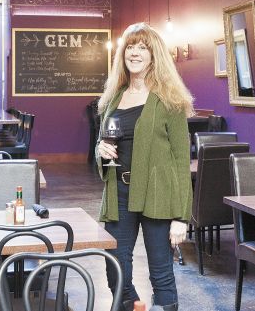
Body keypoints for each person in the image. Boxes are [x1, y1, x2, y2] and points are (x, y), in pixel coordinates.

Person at [96, 22, 194, 311]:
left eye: (143, 48)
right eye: (130, 46)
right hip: (120, 194)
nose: (134, 52)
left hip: (157, 194)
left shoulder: (169, 100)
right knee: (115, 264)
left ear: (155, 56)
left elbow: (180, 161)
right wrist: (101, 152)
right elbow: (105, 146)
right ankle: (134, 306)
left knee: (161, 271)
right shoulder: (114, 97)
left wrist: (181, 217)